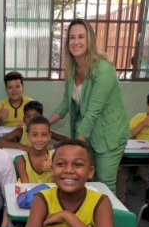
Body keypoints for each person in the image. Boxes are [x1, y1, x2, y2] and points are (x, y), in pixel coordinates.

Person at [49, 18, 128, 193]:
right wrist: (45, 124)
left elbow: (92, 112)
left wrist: (75, 146)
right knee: (86, 182)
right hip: (87, 133)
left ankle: (108, 219)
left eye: (81, 37)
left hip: (109, 135)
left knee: (104, 183)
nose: (76, 42)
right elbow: (65, 103)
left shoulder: (104, 69)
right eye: (72, 37)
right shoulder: (72, 68)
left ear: (90, 40)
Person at [23, 139, 115, 227]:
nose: (69, 170)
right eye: (60, 164)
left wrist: (67, 216)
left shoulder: (101, 202)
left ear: (90, 172)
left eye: (78, 165)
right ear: (51, 170)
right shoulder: (41, 199)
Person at [116, 89, 149, 202]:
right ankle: (120, 200)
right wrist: (143, 124)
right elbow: (127, 136)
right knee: (121, 170)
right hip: (134, 155)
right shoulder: (139, 117)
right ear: (148, 105)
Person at [0, 101, 66, 151]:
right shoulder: (20, 131)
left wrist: (53, 146)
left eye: (35, 115)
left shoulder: (45, 131)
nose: (32, 119)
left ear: (41, 118)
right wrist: (21, 147)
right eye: (28, 116)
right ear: (24, 120)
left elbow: (67, 140)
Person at [16, 116, 54, 183]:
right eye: (34, 135)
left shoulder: (56, 157)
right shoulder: (22, 161)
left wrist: (52, 169)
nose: (39, 139)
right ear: (28, 136)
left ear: (49, 136)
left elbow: (62, 185)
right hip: (31, 193)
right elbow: (26, 188)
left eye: (44, 135)